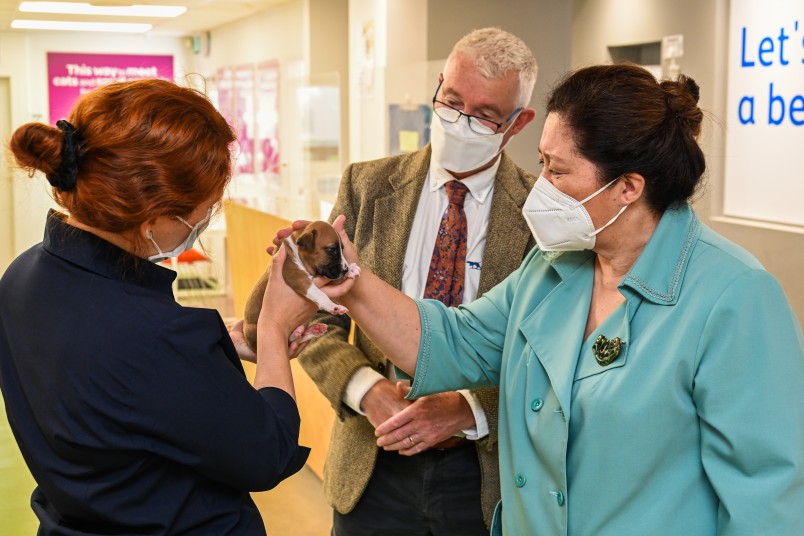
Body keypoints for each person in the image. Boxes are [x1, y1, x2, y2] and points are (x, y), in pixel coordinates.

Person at [273, 63, 804, 535]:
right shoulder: (555, 267)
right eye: (542, 163)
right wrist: (352, 280)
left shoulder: (733, 296)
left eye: (558, 170)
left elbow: (766, 499)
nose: (541, 185)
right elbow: (453, 340)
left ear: (628, 187)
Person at [0, 78, 313, 535]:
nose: (206, 220)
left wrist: (204, 355)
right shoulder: (156, 337)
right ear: (152, 219)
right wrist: (273, 328)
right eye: (206, 209)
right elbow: (269, 453)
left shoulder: (22, 276)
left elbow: (107, 385)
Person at [296, 27, 538, 534]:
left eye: (486, 115)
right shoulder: (366, 187)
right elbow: (316, 318)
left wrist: (467, 409)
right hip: (372, 462)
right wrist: (368, 391)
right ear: (438, 86)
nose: (461, 122)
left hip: (482, 477)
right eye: (451, 101)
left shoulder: (539, 215)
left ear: (517, 124)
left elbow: (549, 363)